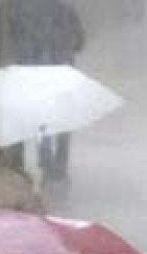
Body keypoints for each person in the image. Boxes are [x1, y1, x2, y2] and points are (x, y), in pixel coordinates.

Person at [9, 0, 87, 181]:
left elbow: (16, 41)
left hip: (35, 71)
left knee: (41, 117)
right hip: (63, 71)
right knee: (64, 117)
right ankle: (60, 162)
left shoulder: (22, 10)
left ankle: (45, 156)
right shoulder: (67, 10)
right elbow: (80, 42)